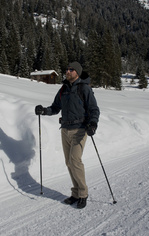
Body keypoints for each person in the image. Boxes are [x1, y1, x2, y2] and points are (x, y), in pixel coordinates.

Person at [35, 61, 100, 209]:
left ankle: (83, 194)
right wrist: (44, 111)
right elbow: (55, 107)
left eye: (71, 70)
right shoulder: (63, 89)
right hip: (65, 129)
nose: (68, 71)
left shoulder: (84, 88)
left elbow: (94, 109)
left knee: (75, 160)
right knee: (69, 162)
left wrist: (93, 124)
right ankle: (75, 193)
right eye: (67, 69)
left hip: (80, 129)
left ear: (77, 72)